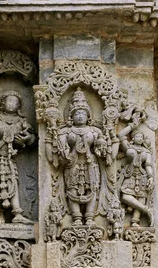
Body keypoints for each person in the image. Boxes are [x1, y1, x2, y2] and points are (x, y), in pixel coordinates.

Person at [47, 89, 115, 227]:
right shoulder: (65, 131)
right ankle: (76, 217)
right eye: (77, 113)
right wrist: (61, 148)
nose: (80, 116)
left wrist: (102, 145)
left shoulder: (95, 131)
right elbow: (59, 147)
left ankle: (89, 217)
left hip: (91, 164)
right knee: (71, 189)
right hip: (72, 164)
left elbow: (102, 150)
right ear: (71, 116)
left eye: (83, 113)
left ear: (88, 116)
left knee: (93, 188)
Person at [0, 91, 35, 224]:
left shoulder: (22, 121)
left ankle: (17, 213)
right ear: (3, 104)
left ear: (19, 106)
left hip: (9, 158)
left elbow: (32, 137)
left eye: (15, 102)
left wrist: (27, 139)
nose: (11, 105)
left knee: (13, 182)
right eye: (9, 101)